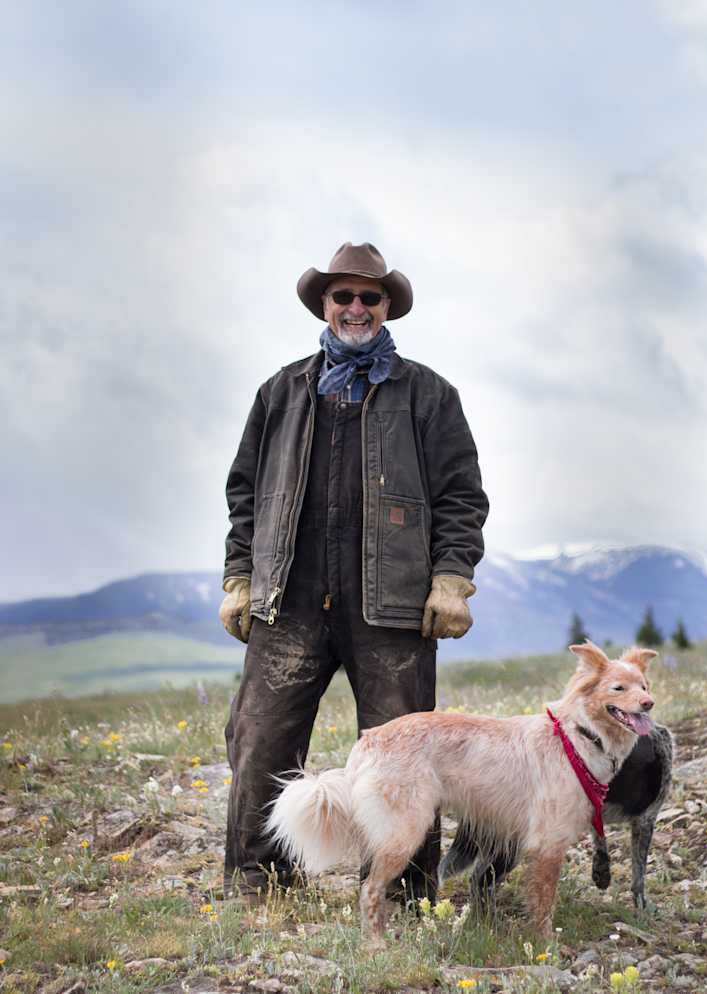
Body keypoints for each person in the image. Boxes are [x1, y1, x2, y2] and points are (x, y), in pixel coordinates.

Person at [219, 241, 489, 901]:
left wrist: (451, 579)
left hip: (393, 607)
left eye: (369, 296)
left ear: (388, 304)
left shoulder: (429, 395)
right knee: (259, 738)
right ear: (325, 304)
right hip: (291, 601)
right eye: (344, 296)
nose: (356, 307)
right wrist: (238, 578)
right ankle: (259, 881)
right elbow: (245, 494)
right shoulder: (280, 391)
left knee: (406, 757)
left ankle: (401, 892)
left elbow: (461, 495)